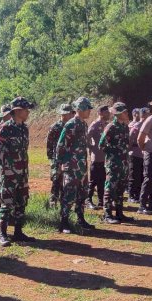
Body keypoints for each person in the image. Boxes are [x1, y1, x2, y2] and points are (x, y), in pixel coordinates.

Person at [0, 97, 35, 247]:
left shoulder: (24, 128)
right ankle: (2, 234)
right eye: (25, 109)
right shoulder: (5, 128)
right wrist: (6, 165)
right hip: (9, 173)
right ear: (17, 111)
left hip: (22, 172)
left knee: (21, 201)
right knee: (7, 202)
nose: (28, 112)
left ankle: (18, 232)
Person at [56, 96, 95, 233]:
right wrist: (59, 165)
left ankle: (80, 219)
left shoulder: (84, 124)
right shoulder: (71, 124)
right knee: (68, 195)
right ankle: (64, 223)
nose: (89, 111)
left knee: (82, 194)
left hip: (82, 166)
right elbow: (61, 145)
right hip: (71, 167)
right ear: (80, 109)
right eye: (87, 108)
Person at [99, 102, 132, 223]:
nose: (127, 114)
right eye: (125, 112)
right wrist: (115, 152)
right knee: (110, 189)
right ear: (118, 114)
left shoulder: (125, 127)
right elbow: (101, 145)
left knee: (120, 189)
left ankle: (119, 213)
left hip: (123, 163)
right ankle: (107, 215)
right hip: (113, 163)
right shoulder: (111, 127)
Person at [47, 103, 74, 207]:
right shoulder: (55, 127)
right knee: (56, 179)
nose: (70, 115)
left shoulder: (72, 126)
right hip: (57, 158)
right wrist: (51, 158)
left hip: (68, 158)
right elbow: (49, 143)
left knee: (66, 180)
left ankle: (64, 203)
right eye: (68, 113)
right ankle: (53, 202)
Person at [86, 105, 110, 209]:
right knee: (93, 181)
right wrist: (92, 148)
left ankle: (101, 201)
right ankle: (88, 200)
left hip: (104, 158)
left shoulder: (107, 124)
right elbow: (87, 138)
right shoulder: (94, 124)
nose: (108, 114)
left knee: (102, 181)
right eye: (106, 112)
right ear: (100, 113)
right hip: (96, 158)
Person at [127, 107, 146, 203]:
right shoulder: (136, 126)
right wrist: (129, 150)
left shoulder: (146, 125)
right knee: (134, 175)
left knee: (141, 175)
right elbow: (130, 139)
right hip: (134, 153)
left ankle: (138, 194)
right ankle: (131, 195)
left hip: (143, 154)